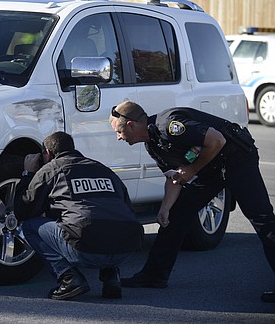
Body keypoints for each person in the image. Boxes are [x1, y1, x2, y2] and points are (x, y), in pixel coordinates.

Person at [110, 100, 275, 303]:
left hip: (237, 160)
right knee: (175, 216)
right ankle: (154, 276)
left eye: (118, 132)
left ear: (130, 125)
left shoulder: (168, 125)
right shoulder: (153, 145)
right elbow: (175, 177)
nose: (118, 138)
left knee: (263, 221)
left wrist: (192, 170)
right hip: (211, 170)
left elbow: (217, 141)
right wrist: (165, 208)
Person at [14, 131, 144, 300]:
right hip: (125, 250)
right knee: (107, 217)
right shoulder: (104, 170)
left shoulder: (51, 169)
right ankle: (112, 278)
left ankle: (68, 278)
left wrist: (28, 174)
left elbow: (23, 211)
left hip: (86, 249)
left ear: (48, 153)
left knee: (30, 226)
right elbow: (126, 209)